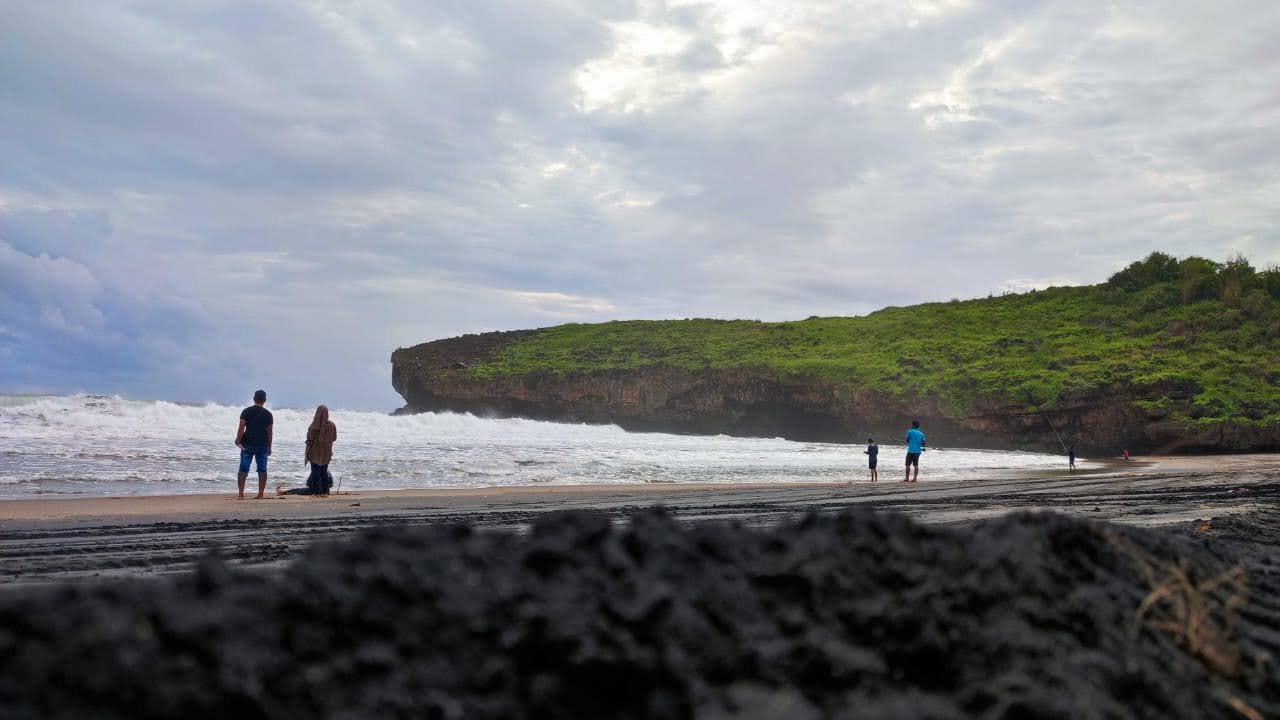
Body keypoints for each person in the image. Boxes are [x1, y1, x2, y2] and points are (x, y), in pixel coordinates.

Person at [235, 389, 273, 499]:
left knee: (243, 469)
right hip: (262, 445)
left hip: (247, 444)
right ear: (264, 400)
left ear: (254, 399)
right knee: (262, 469)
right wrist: (270, 447)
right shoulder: (268, 415)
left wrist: (238, 440)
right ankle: (261, 493)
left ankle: (241, 494)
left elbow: (241, 428)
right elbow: (270, 433)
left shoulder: (246, 411)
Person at [304, 404, 337, 495]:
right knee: (324, 471)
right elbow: (334, 438)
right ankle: (326, 490)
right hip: (326, 453)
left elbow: (309, 440)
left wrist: (306, 453)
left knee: (315, 471)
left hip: (315, 452)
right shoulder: (332, 425)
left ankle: (315, 491)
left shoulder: (313, 427)